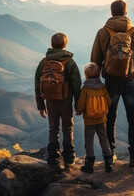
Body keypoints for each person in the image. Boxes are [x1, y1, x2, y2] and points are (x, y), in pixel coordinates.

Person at [91, 0, 134, 167]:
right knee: (133, 119)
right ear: (126, 12)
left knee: (109, 119)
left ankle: (110, 156)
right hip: (130, 81)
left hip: (110, 82)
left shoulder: (103, 32)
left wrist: (95, 81)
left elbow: (95, 60)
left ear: (111, 12)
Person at [35, 32, 81, 170]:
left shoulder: (44, 62)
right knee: (68, 128)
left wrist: (40, 105)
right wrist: (78, 104)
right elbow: (76, 85)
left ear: (51, 45)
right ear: (65, 45)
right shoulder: (70, 62)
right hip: (66, 101)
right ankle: (69, 158)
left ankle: (53, 159)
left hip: (50, 101)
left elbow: (38, 84)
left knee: (53, 129)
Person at [76, 62, 113, 173]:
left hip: (89, 120)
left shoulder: (85, 89)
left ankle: (89, 165)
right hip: (102, 119)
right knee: (104, 139)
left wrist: (78, 111)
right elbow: (109, 102)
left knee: (89, 141)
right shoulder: (102, 88)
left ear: (86, 75)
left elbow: (81, 104)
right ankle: (109, 163)